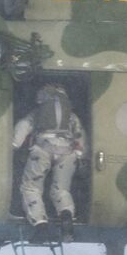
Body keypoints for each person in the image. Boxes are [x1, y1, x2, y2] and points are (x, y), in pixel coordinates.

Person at [12, 83, 85, 242]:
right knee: (61, 190)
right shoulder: (71, 116)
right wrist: (80, 155)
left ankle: (40, 225)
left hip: (42, 150)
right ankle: (66, 217)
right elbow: (80, 136)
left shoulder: (37, 113)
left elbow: (23, 127)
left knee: (31, 188)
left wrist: (14, 145)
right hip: (67, 152)